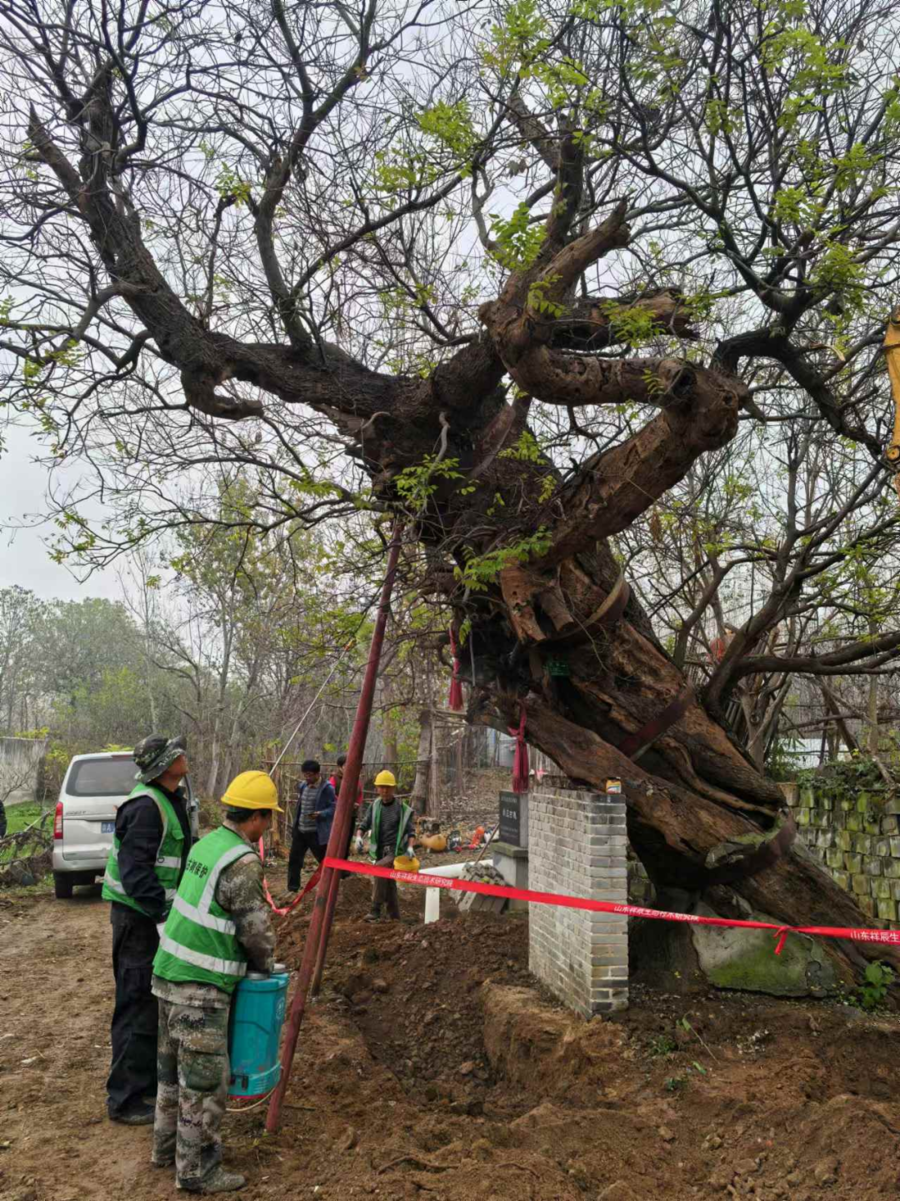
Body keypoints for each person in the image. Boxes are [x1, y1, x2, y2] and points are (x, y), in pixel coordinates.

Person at [150, 770, 280, 1194]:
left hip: (168, 974)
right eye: (269, 817)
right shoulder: (242, 862)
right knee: (204, 1083)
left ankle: (165, 1150)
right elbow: (255, 930)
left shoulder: (208, 844)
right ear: (257, 818)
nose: (269, 825)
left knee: (171, 1076)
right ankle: (196, 1171)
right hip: (200, 988)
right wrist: (266, 963)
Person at [101, 735, 192, 1125]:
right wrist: (161, 919)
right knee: (136, 1005)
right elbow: (137, 873)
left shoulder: (170, 798)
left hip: (151, 918)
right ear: (164, 765)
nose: (185, 756)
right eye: (177, 754)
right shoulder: (145, 807)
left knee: (151, 1006)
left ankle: (147, 1087)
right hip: (139, 920)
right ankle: (125, 1098)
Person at [355, 770, 414, 922]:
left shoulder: (401, 808)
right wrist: (359, 837)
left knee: (379, 869)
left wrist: (410, 847)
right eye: (381, 787)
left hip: (395, 851)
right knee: (389, 882)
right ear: (377, 788)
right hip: (379, 850)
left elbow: (410, 831)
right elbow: (364, 824)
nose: (385, 790)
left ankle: (375, 910)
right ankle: (394, 915)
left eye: (388, 787)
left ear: (394, 789)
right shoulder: (375, 806)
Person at [287, 758, 335, 892]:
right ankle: (292, 888)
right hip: (301, 830)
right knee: (294, 860)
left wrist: (321, 814)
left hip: (316, 832)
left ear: (317, 774)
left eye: (310, 775)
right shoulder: (303, 786)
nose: (307, 778)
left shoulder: (327, 788)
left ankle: (333, 884)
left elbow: (334, 808)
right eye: (305, 775)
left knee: (325, 861)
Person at [329, 752, 363, 871]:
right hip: (338, 815)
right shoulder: (334, 779)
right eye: (345, 766)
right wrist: (346, 804)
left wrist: (357, 804)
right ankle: (334, 865)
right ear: (340, 767)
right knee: (337, 841)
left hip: (351, 814)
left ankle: (343, 865)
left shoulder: (356, 778)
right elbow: (331, 795)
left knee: (347, 840)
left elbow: (359, 793)